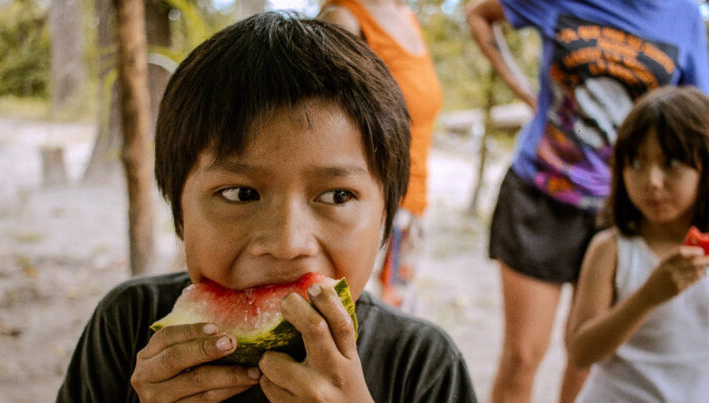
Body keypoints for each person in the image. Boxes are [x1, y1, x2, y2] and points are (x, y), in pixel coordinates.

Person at [56, 11, 477, 403]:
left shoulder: (424, 366)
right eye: (241, 194)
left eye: (337, 196)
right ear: (180, 213)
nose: (287, 243)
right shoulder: (126, 326)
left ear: (385, 216)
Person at [465, 1, 709, 402]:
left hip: (624, 208)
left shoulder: (683, 14)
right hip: (542, 191)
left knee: (584, 365)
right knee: (523, 354)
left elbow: (693, 116)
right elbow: (479, 13)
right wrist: (523, 90)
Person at [567, 86, 709, 402]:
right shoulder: (612, 249)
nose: (651, 181)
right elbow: (580, 352)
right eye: (635, 162)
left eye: (670, 163)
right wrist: (648, 296)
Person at [317, 0, 443, 312]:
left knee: (389, 323)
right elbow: (321, 126)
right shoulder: (343, 17)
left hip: (411, 201)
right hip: (368, 205)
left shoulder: (406, 16)